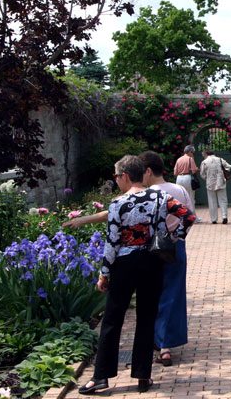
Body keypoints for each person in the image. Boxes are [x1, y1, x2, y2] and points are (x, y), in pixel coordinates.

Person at [78, 155, 195, 395]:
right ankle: (143, 374)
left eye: (116, 176)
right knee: (146, 317)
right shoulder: (161, 196)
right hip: (153, 261)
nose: (116, 180)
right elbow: (189, 216)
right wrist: (174, 237)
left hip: (124, 263)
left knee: (112, 319)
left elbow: (112, 242)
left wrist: (104, 274)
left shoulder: (118, 203)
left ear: (125, 176)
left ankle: (100, 377)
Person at [139, 151, 191, 367]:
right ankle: (166, 344)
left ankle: (158, 342)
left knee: (151, 293)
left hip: (150, 248)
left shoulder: (146, 193)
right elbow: (189, 215)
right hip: (175, 247)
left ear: (148, 171)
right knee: (172, 293)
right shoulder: (178, 190)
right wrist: (177, 236)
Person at [199, 150, 231, 224]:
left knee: (212, 201)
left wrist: (207, 178)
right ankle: (224, 216)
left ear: (206, 154)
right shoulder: (220, 159)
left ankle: (214, 219)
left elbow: (202, 174)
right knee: (223, 200)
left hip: (210, 183)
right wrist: (222, 174)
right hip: (221, 182)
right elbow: (229, 167)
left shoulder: (204, 162)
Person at [174, 145, 199, 212]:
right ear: (190, 152)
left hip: (179, 178)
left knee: (181, 197)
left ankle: (182, 215)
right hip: (187, 177)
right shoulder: (190, 159)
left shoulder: (179, 159)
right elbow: (194, 171)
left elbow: (175, 172)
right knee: (191, 198)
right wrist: (196, 169)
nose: (193, 154)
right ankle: (193, 217)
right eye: (192, 152)